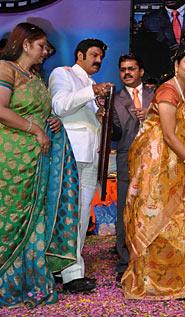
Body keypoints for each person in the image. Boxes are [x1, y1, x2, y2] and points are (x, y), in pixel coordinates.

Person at [122, 43, 185, 300]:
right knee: (156, 219)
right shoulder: (167, 91)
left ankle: (181, 282)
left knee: (183, 219)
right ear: (176, 65)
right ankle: (149, 283)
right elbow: (169, 136)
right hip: (157, 166)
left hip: (181, 164)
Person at [0, 22, 78, 307]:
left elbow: (39, 112)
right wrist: (35, 128)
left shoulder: (34, 76)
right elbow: (0, 109)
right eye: (41, 46)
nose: (46, 52)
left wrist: (51, 121)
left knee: (36, 220)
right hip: (11, 160)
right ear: (25, 44)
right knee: (9, 219)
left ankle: (31, 283)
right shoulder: (5, 69)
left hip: (36, 159)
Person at [49, 38, 112, 293]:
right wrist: (92, 94)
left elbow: (88, 120)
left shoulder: (92, 84)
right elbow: (59, 106)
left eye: (101, 57)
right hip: (70, 153)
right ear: (80, 55)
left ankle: (70, 270)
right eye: (94, 55)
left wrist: (98, 114)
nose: (98, 60)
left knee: (82, 214)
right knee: (69, 213)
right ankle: (66, 271)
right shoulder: (62, 74)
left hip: (90, 156)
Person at [111, 53, 155, 284]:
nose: (126, 73)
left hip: (155, 158)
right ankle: (124, 261)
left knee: (152, 206)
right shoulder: (114, 99)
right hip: (127, 157)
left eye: (131, 69)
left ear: (141, 71)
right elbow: (115, 134)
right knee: (125, 211)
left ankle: (151, 258)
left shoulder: (155, 95)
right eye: (123, 69)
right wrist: (104, 118)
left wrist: (151, 115)